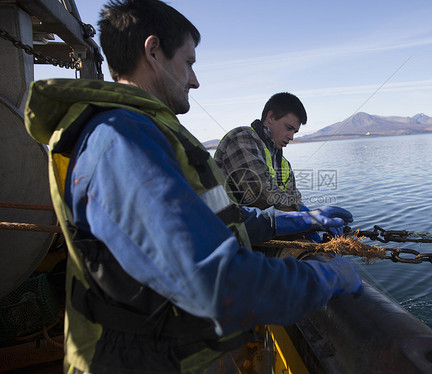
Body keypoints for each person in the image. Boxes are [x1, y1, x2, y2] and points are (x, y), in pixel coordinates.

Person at [24, 1, 362, 373]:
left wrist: (286, 222)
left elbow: (208, 221)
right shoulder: (122, 141)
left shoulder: (146, 134)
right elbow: (216, 283)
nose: (195, 80)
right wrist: (323, 277)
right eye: (189, 63)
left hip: (174, 351)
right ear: (153, 51)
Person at [214, 92, 305, 212]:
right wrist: (302, 214)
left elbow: (295, 199)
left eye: (295, 132)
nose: (291, 136)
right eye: (289, 128)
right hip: (228, 227)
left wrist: (299, 211)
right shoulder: (242, 138)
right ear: (271, 117)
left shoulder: (283, 163)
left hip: (266, 227)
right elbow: (261, 194)